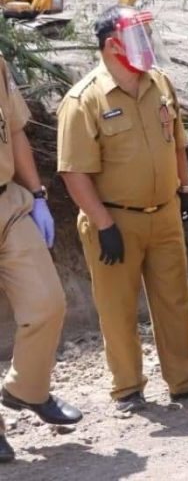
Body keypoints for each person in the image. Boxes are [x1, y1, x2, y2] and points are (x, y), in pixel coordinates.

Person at [57, 6, 188, 414]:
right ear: (111, 45)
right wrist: (104, 224)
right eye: (137, 36)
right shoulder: (83, 100)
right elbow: (74, 174)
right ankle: (128, 388)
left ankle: (186, 380)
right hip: (115, 219)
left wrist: (185, 189)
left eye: (146, 34)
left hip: (165, 213)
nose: (146, 44)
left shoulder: (160, 83)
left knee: (176, 299)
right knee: (118, 306)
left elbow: (174, 142)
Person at [0, 56, 81, 464]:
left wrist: (38, 195)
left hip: (8, 204)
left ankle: (26, 389)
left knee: (47, 302)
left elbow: (14, 131)